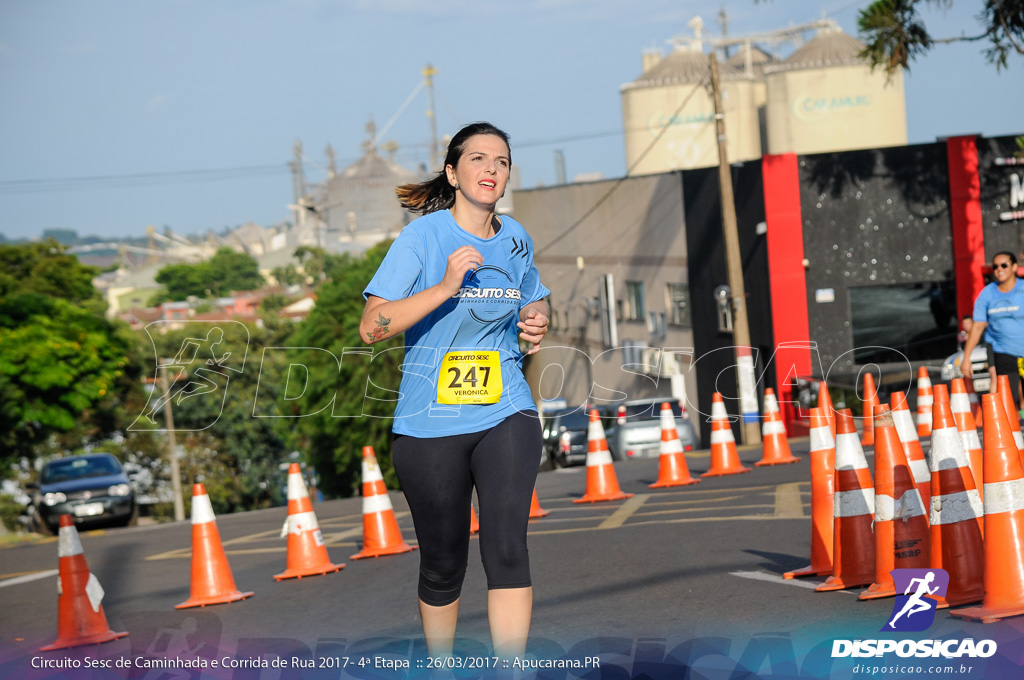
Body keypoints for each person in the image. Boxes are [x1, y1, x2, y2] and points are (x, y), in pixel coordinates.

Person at [359, 122, 549, 663]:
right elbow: (371, 326)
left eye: (503, 161)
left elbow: (534, 299)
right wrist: (443, 287)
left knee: (508, 547)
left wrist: (536, 320)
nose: (492, 169)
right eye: (479, 158)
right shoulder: (423, 238)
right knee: (444, 563)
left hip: (505, 407)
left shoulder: (515, 237)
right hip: (429, 424)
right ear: (453, 172)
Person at [961, 251, 1024, 414]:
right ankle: (1013, 429)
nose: (999, 269)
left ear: (1014, 267)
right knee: (1010, 395)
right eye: (995, 266)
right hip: (1003, 351)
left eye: (1004, 265)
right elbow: (977, 327)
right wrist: (966, 358)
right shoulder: (987, 294)